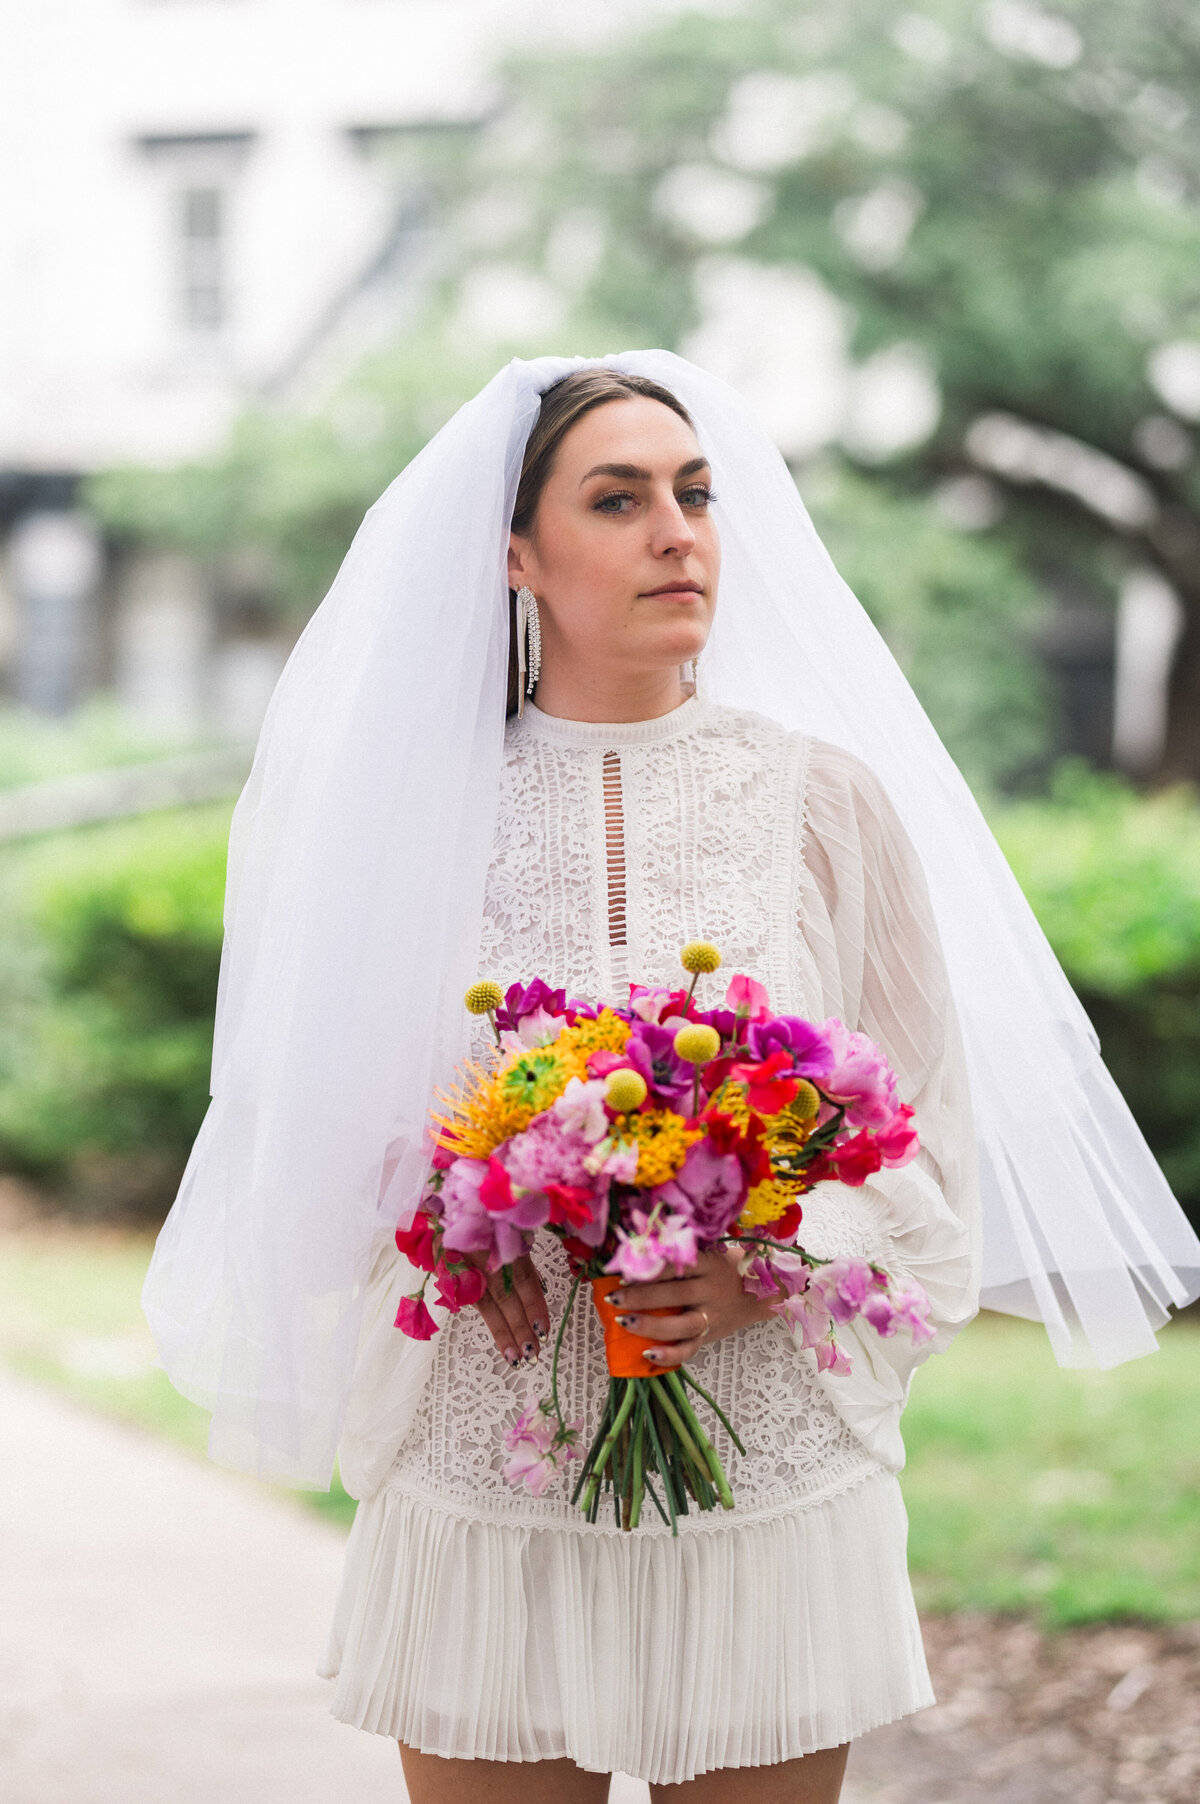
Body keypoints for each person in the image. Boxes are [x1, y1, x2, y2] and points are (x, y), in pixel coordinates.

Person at [143, 352, 1200, 1802]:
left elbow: (924, 1145)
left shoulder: (828, 805)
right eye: (620, 497)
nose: (677, 531)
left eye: (696, 494)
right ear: (516, 554)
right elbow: (318, 1137)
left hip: (766, 1484)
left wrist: (770, 1261)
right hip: (490, 1472)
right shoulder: (409, 821)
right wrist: (459, 1228)